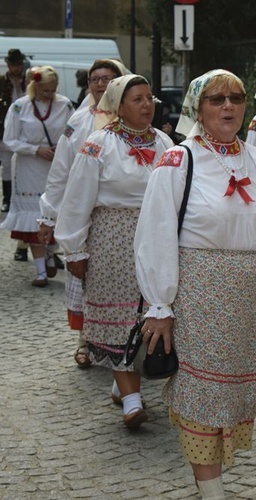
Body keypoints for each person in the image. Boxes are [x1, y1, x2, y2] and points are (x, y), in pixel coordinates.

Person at [133, 69, 256, 500]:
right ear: (197, 109)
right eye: (217, 99)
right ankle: (212, 491)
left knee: (235, 391)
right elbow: (155, 233)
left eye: (236, 98)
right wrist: (160, 305)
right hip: (198, 292)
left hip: (247, 293)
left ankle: (212, 481)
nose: (228, 107)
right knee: (201, 390)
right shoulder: (178, 161)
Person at [54, 75, 173, 428]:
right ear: (118, 106)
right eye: (137, 99)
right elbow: (77, 198)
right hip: (112, 239)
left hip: (156, 235)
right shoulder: (98, 144)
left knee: (152, 312)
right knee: (119, 317)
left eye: (150, 98)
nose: (147, 105)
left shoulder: (166, 142)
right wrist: (74, 248)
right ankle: (132, 399)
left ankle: (125, 382)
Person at [38, 59, 128, 368]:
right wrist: (49, 215)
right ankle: (86, 340)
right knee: (85, 277)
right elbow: (61, 170)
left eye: (108, 78)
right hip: (86, 216)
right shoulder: (78, 121)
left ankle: (130, 345)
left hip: (128, 222)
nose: (101, 84)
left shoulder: (140, 118)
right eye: (95, 79)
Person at [0, 65, 73, 286]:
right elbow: (9, 140)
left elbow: (73, 133)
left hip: (57, 166)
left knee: (59, 215)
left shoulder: (65, 105)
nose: (50, 95)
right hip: (29, 167)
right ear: (35, 86)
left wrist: (61, 151)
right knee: (34, 219)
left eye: (53, 90)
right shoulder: (19, 107)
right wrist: (35, 150)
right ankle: (41, 271)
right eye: (45, 91)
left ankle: (51, 251)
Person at [1, 48, 28, 216]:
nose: (16, 68)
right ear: (8, 65)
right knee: (6, 165)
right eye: (13, 65)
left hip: (25, 128)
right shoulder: (1, 82)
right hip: (4, 127)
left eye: (19, 64)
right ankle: (7, 198)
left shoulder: (29, 82)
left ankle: (22, 197)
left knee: (23, 166)